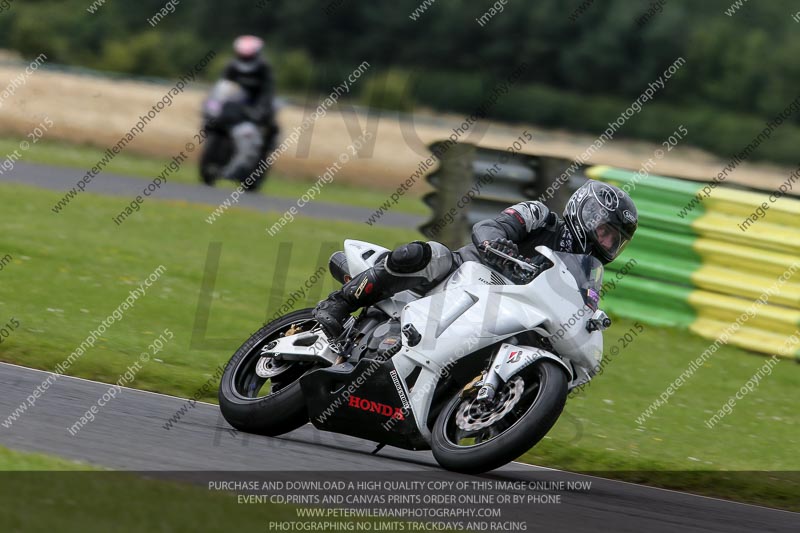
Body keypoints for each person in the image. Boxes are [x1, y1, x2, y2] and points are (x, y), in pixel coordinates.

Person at [314, 180, 638, 339]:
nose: (609, 243)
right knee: (426, 254)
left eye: (616, 241)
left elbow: (577, 310)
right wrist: (501, 248)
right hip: (465, 275)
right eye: (607, 232)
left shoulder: (584, 270)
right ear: (588, 214)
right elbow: (489, 227)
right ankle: (338, 304)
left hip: (506, 311)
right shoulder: (540, 216)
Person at [218, 35, 278, 184]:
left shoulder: (264, 68)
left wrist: (261, 110)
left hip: (256, 107)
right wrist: (215, 102)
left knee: (271, 127)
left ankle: (260, 155)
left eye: (248, 56)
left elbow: (268, 92)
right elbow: (222, 86)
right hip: (235, 106)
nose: (245, 59)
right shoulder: (231, 66)